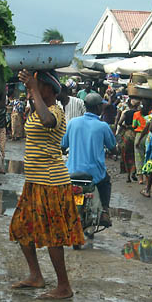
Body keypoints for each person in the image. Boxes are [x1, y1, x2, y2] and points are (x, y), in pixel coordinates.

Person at [9, 70, 84, 299]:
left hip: (51, 181)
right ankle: (36, 276)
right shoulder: (37, 108)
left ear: (49, 90)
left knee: (53, 236)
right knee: (20, 228)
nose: (34, 88)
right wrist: (32, 90)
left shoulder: (55, 112)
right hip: (34, 181)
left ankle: (64, 287)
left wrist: (33, 91)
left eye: (39, 85)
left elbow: (48, 122)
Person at [62, 92, 117, 225]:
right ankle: (104, 211)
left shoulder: (72, 123)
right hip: (95, 174)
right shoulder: (103, 126)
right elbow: (113, 147)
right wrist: (115, 151)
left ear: (85, 106)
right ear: (98, 107)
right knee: (106, 182)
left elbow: (63, 145)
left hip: (72, 171)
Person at [117, 98, 140, 182]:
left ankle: (128, 175)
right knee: (135, 154)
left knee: (126, 154)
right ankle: (134, 172)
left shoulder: (126, 113)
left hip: (127, 135)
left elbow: (120, 123)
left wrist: (125, 127)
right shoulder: (139, 114)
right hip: (136, 135)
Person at [132, 100, 150, 184]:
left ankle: (140, 179)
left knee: (138, 157)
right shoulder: (151, 114)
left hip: (139, 135)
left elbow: (134, 125)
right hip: (149, 136)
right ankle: (148, 177)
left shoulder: (136, 114)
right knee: (148, 157)